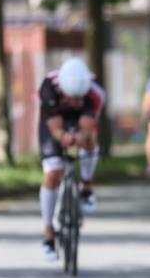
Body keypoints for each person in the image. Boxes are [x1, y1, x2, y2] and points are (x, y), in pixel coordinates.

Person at [37, 58, 104, 261]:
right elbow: (55, 128)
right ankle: (48, 232)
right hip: (54, 119)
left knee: (90, 142)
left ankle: (86, 187)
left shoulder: (95, 93)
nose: (75, 102)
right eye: (71, 98)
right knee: (53, 172)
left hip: (80, 119)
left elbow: (87, 124)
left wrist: (81, 138)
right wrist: (63, 137)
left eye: (79, 99)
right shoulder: (49, 88)